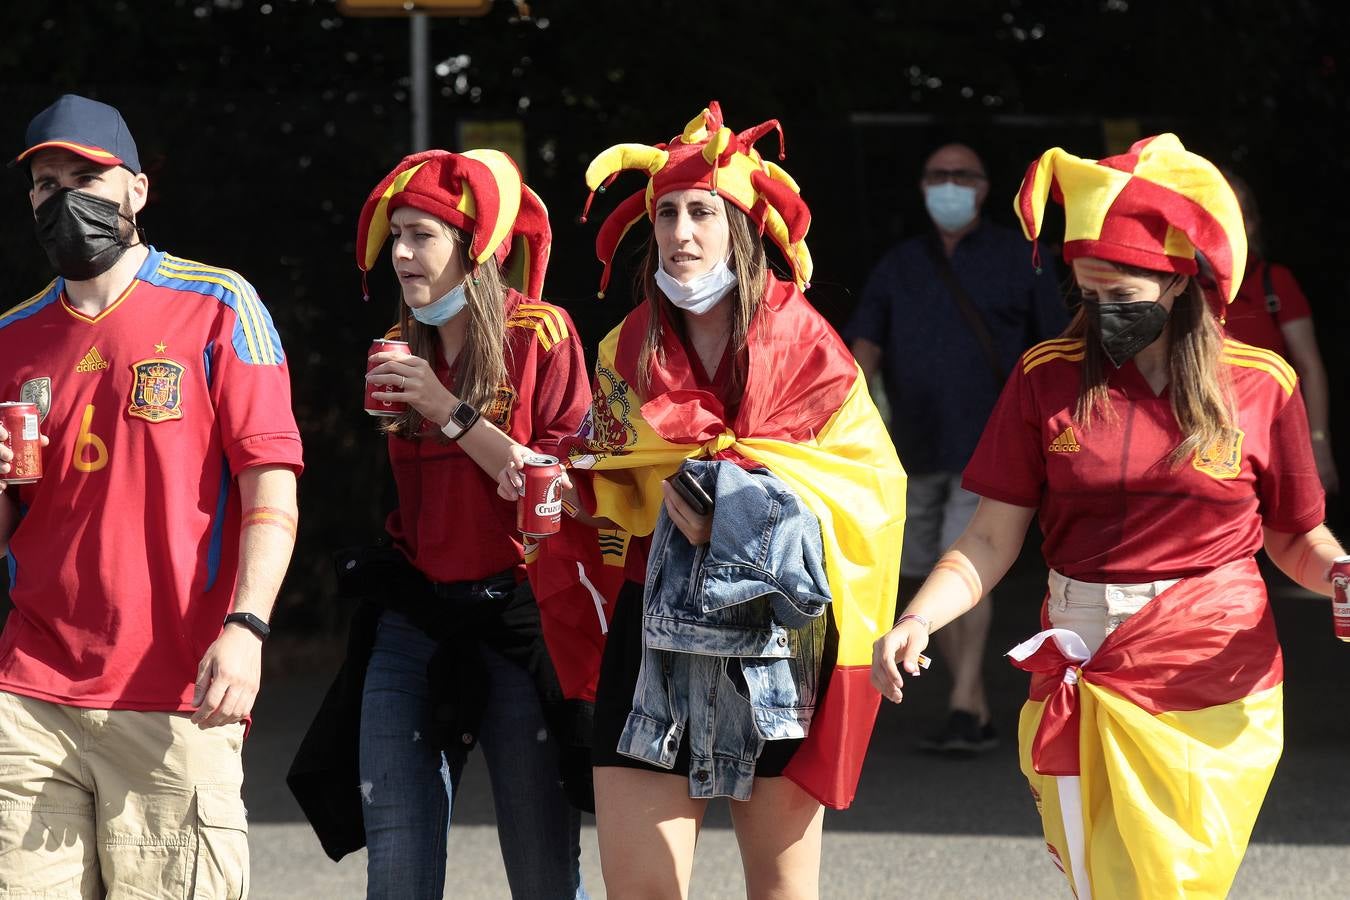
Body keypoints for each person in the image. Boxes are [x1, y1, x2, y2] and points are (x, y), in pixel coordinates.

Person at [872, 134, 1344, 899]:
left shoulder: (1262, 384)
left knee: (1172, 886)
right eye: (1085, 296)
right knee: (1101, 883)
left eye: (1121, 299)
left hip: (1213, 671)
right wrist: (918, 618)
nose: (1100, 316)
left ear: (1180, 282)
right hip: (1080, 656)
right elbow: (991, 537)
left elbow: (1296, 538)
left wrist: (1341, 575)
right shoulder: (1044, 376)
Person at [545, 102, 904, 899]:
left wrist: (737, 520)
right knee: (639, 891)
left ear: (740, 228)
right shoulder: (623, 348)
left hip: (772, 643)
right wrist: (556, 484)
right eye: (666, 212)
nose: (680, 230)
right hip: (651, 636)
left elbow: (867, 491)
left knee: (779, 893)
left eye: (702, 211)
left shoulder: (811, 347)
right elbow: (612, 485)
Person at [0, 94, 302, 897]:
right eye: (43, 183)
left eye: (83, 177)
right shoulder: (11, 337)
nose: (61, 198)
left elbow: (271, 484)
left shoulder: (218, 305)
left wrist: (247, 627)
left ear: (136, 189)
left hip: (177, 692)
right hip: (30, 692)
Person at [288, 148, 592, 899]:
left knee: (544, 877)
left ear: (471, 245)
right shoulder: (402, 343)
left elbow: (563, 493)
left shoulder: (542, 334)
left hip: (517, 615)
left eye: (421, 234)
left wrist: (447, 411)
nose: (400, 253)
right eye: (395, 236)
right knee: (397, 874)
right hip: (416, 617)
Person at [846, 142, 1067, 753]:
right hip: (910, 450)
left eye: (961, 175)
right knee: (928, 571)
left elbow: (1058, 351)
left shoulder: (1021, 258)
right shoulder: (899, 265)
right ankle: (966, 700)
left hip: (988, 449)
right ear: (921, 187)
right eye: (937, 174)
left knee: (964, 561)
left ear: (984, 185)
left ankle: (966, 701)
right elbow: (861, 355)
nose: (949, 185)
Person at [1220, 172, 1338, 494]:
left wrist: (1318, 442)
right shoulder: (1181, 290)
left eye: (1235, 216)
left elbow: (1310, 366)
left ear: (1252, 225)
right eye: (1216, 215)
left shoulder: (1275, 282)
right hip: (1208, 450)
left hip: (1274, 445)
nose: (1225, 227)